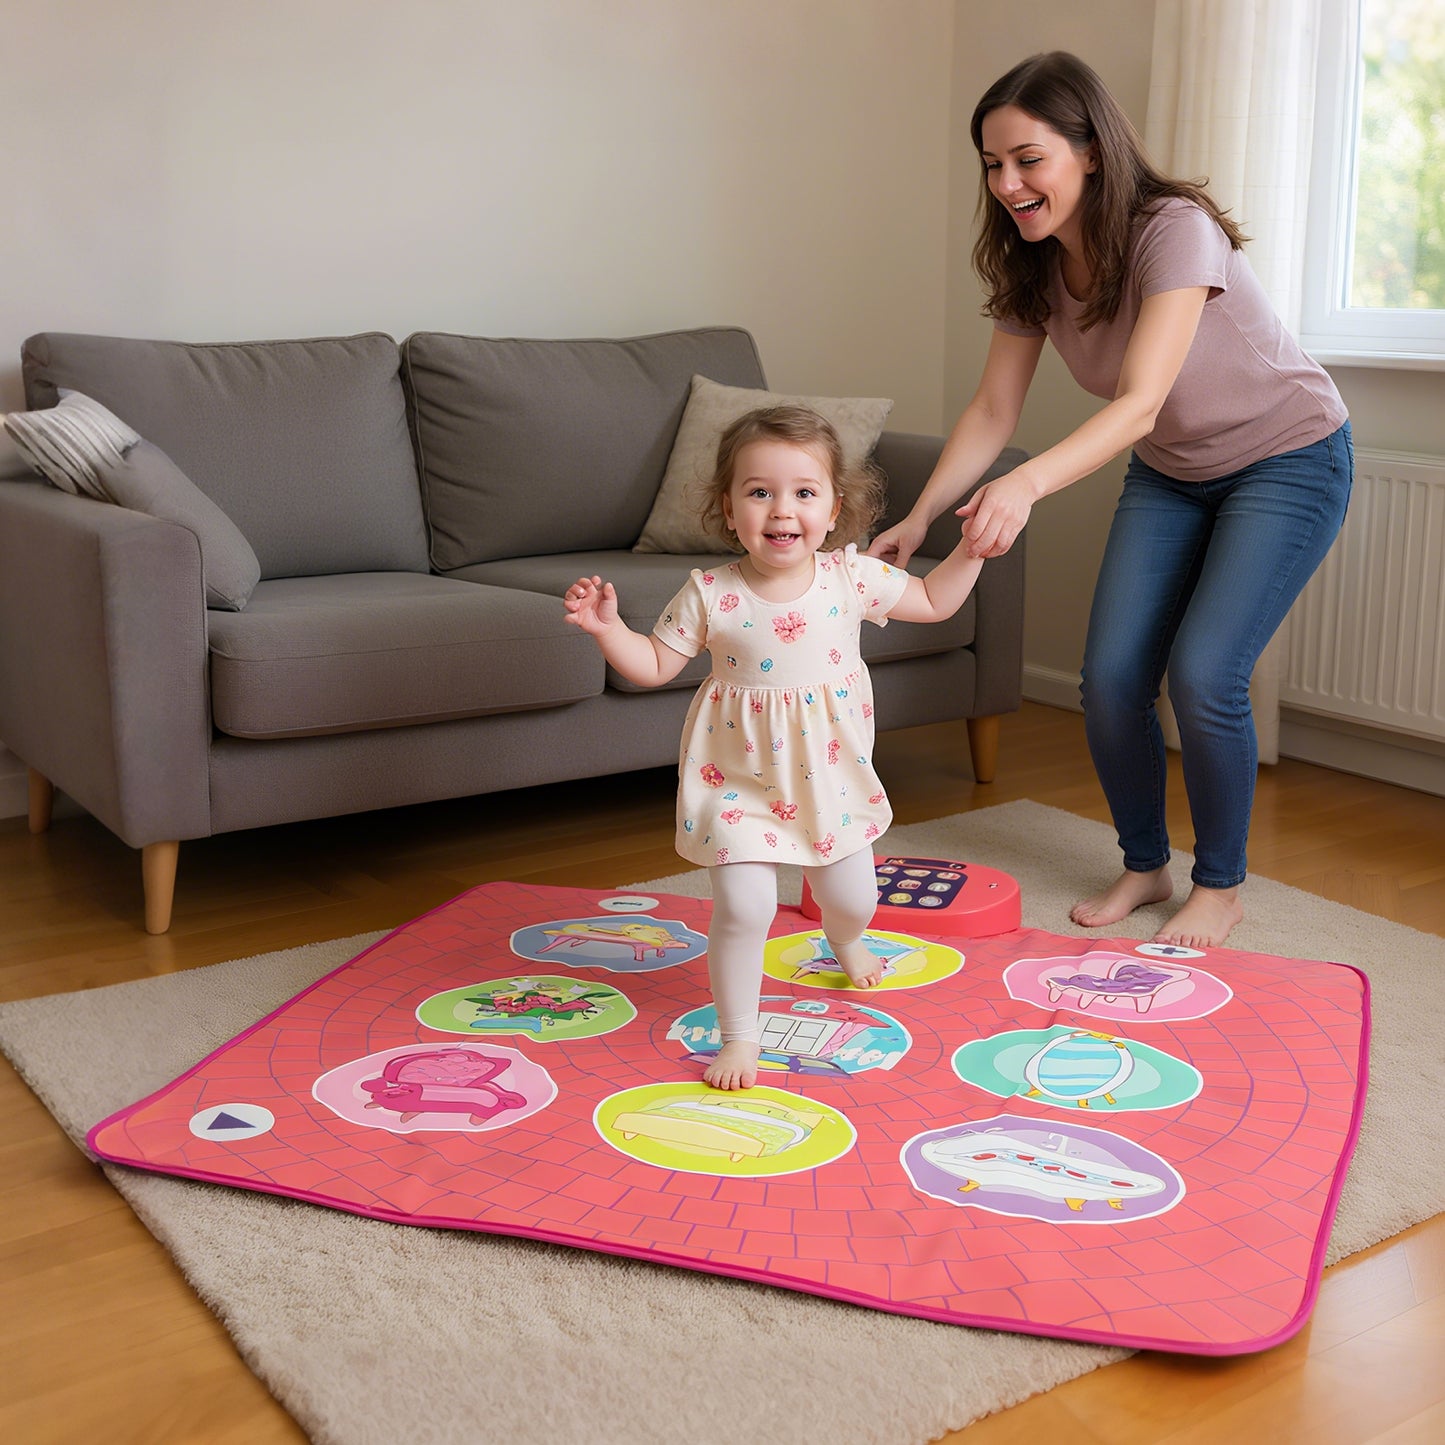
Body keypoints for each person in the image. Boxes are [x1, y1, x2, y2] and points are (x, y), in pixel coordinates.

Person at [869, 51, 1352, 950]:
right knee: (1111, 681)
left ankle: (1220, 883)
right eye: (991, 164)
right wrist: (920, 516)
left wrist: (1024, 482)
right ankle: (1145, 862)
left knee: (1206, 674)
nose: (1007, 183)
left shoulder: (1173, 229)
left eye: (1028, 158)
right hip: (1172, 472)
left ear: (1090, 151)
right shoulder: (1035, 262)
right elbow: (991, 407)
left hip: (1287, 459)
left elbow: (1136, 402)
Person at [565, 404, 984, 1089]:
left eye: (802, 491)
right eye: (758, 491)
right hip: (736, 784)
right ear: (729, 510)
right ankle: (739, 1035)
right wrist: (608, 629)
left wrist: (973, 550)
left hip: (831, 783)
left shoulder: (851, 579)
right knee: (746, 907)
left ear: (833, 509)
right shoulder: (710, 593)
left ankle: (842, 939)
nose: (780, 508)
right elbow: (652, 665)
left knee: (853, 900)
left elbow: (936, 600)